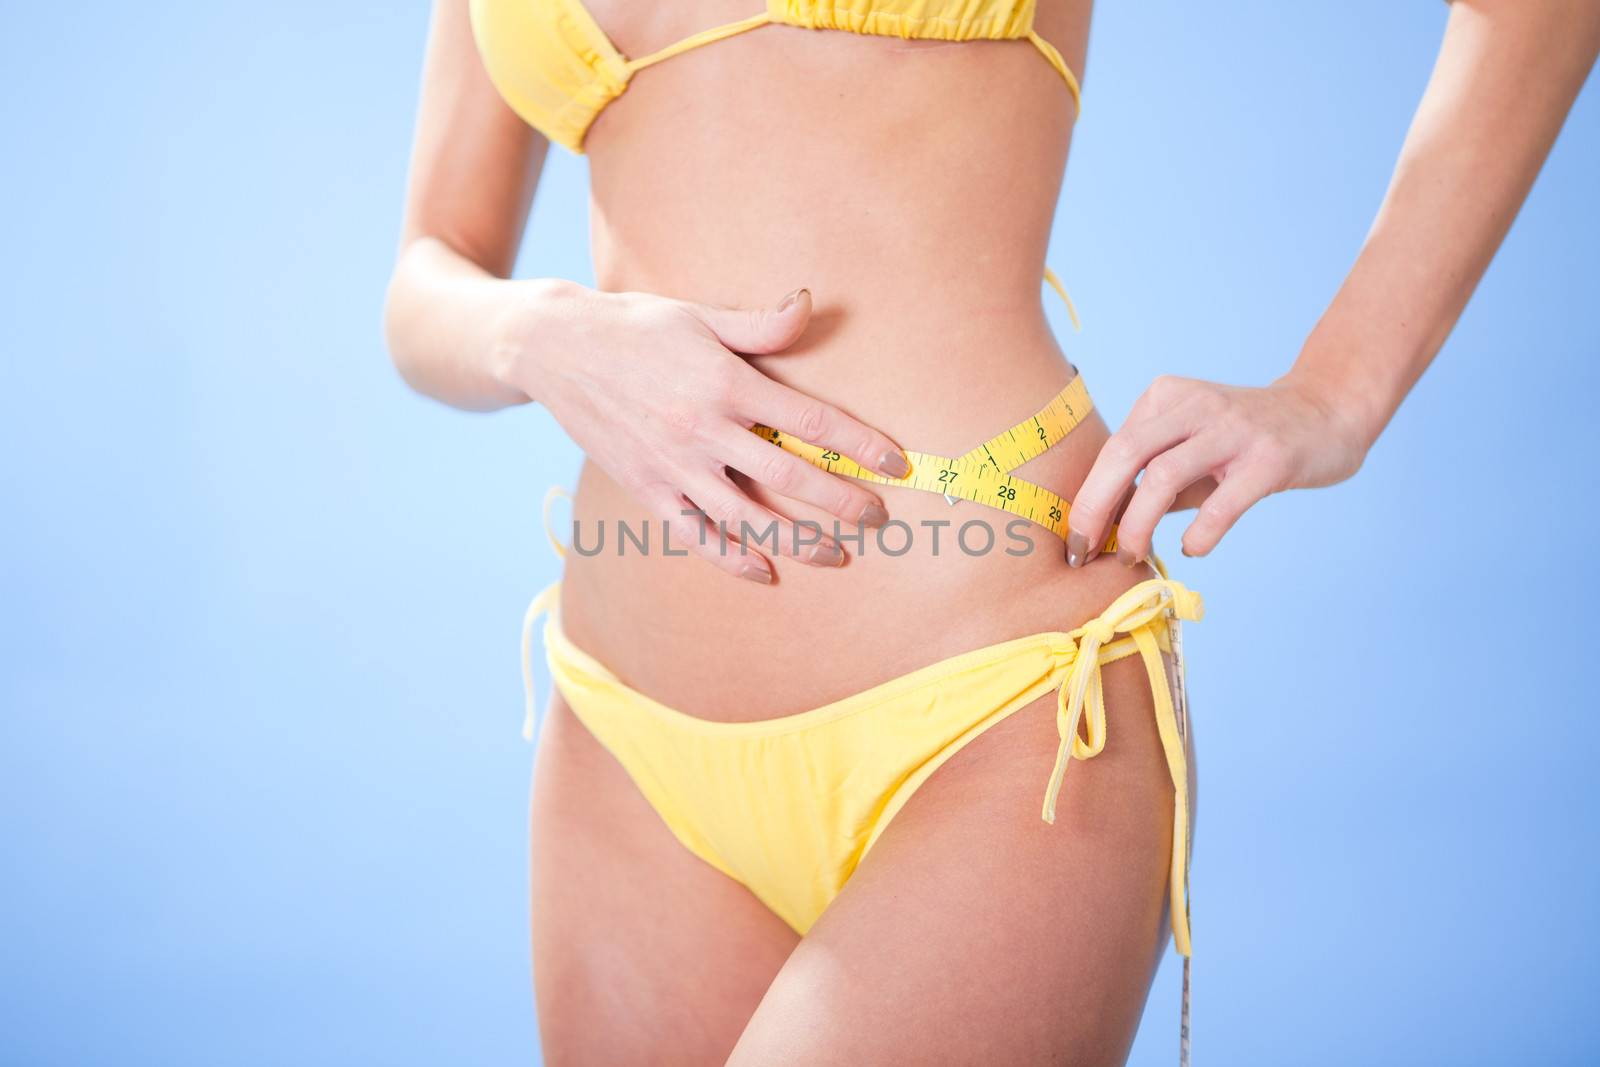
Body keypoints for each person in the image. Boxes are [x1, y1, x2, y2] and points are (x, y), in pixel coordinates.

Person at [383, 1, 1600, 1062]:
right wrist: (537, 332)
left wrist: (1339, 389)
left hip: (999, 716)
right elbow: (427, 272)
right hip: (624, 729)